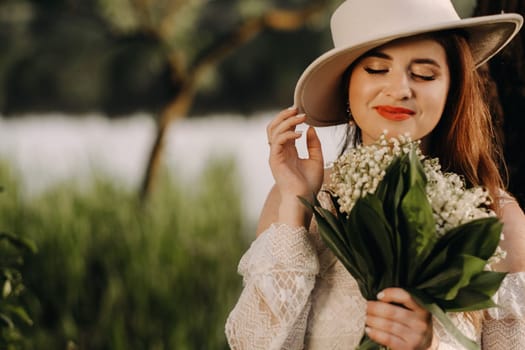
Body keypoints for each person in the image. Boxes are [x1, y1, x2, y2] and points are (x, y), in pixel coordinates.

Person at [225, 0, 525, 348]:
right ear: (347, 89)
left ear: (452, 90)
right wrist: (296, 204)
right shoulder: (299, 197)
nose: (399, 89)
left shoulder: (496, 218)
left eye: (424, 74)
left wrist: (429, 344)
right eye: (376, 69)